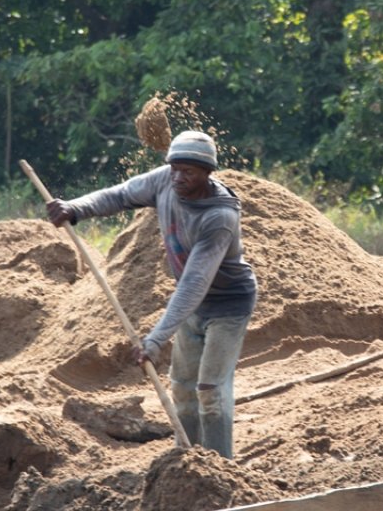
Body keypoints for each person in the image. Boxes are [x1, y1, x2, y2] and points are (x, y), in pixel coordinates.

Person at [45, 130, 257, 459]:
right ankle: (185, 458)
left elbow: (194, 284)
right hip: (193, 305)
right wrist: (75, 209)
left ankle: (220, 467)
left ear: (207, 174)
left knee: (211, 390)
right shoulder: (165, 181)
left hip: (228, 304)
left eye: (188, 172)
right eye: (175, 168)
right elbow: (120, 195)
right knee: (183, 385)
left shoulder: (219, 217)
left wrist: (156, 339)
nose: (178, 177)